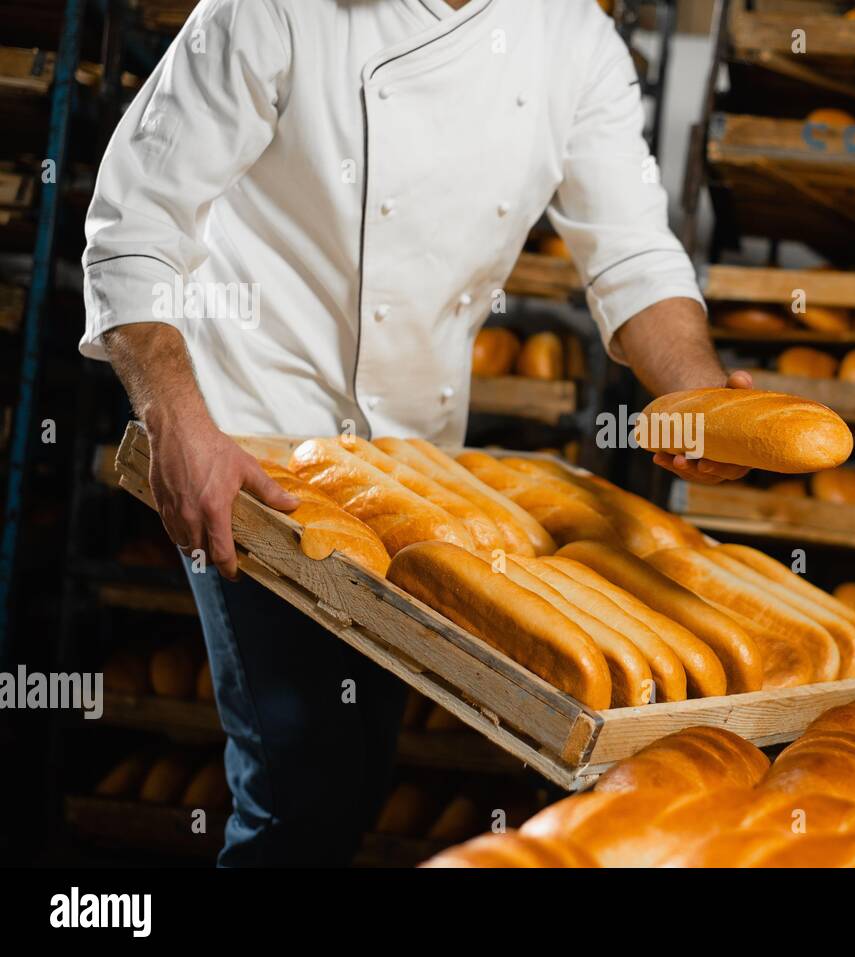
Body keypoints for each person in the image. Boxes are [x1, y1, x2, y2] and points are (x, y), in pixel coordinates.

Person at [81, 0, 745, 866]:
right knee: (297, 785)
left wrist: (699, 394)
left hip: (417, 462)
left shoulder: (572, 38)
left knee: (354, 769)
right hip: (254, 442)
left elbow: (631, 255)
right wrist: (177, 420)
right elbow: (134, 223)